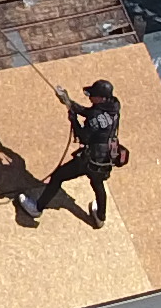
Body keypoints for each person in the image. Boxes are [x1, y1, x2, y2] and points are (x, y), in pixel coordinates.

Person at [31, 79, 130, 227]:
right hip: (106, 159)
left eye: (93, 95)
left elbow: (83, 136)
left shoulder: (96, 115)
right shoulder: (114, 105)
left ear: (102, 98)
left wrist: (73, 120)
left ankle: (37, 209)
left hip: (90, 160)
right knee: (97, 183)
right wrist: (68, 102)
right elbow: (89, 112)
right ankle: (100, 217)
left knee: (58, 176)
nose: (90, 97)